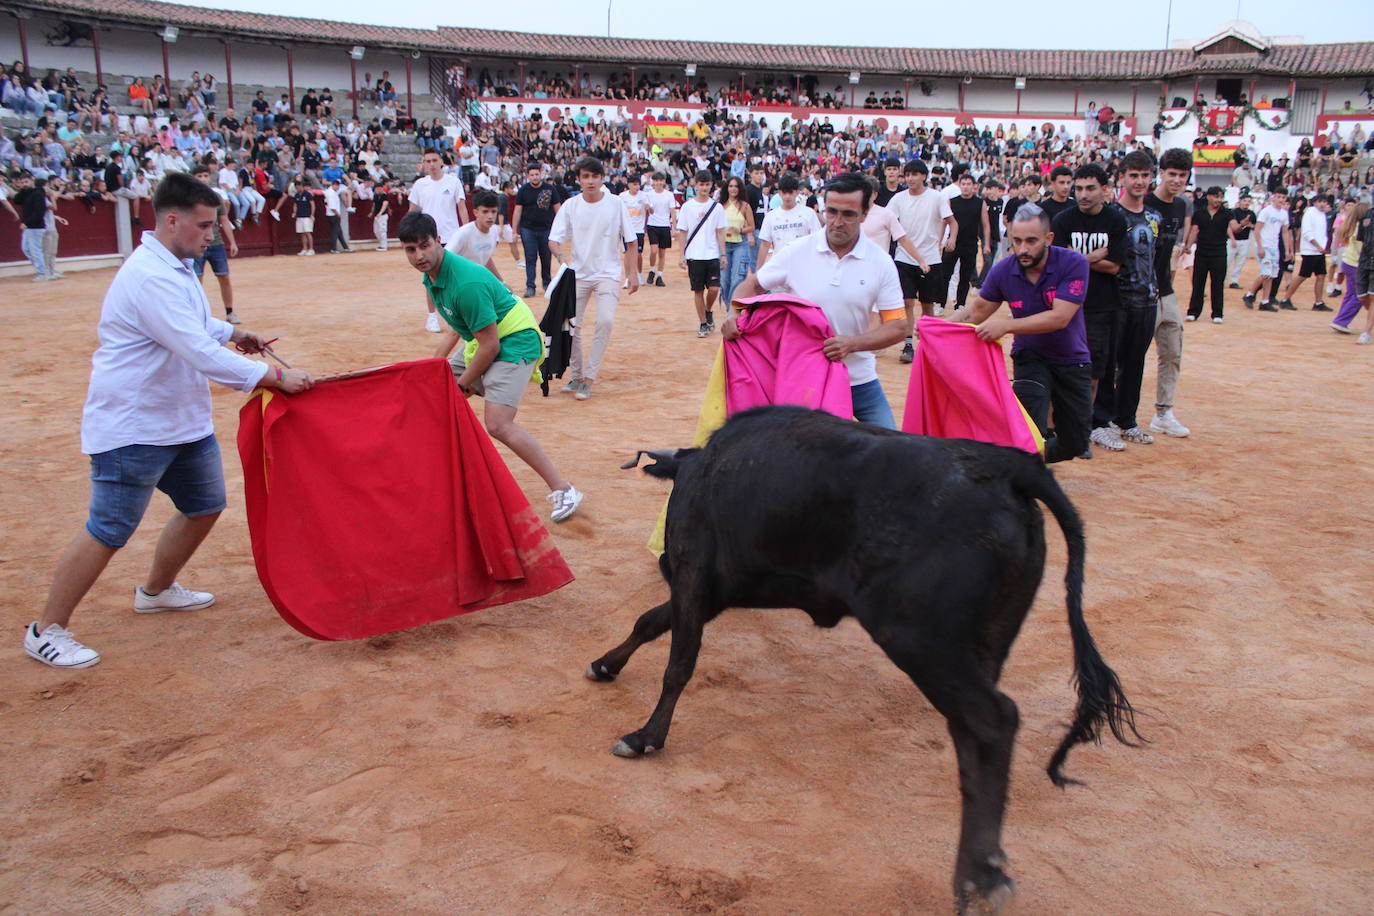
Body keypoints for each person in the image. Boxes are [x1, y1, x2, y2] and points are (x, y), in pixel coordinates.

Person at [24, 173, 314, 669]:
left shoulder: (175, 265)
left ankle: (156, 591)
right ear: (172, 220)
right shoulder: (150, 275)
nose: (212, 235)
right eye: (204, 225)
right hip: (133, 425)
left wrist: (234, 330)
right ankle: (45, 628)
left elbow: (197, 325)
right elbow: (197, 350)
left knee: (204, 505)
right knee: (108, 528)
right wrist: (270, 376)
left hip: (179, 419)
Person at [398, 210, 583, 522]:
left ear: (438, 242)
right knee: (432, 398)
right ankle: (444, 484)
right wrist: (432, 370)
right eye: (410, 250)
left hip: (514, 339)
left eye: (424, 246)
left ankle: (563, 488)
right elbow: (457, 328)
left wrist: (458, 387)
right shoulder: (432, 277)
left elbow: (490, 346)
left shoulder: (464, 283)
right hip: (487, 337)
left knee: (498, 423)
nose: (419, 255)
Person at [728, 172, 908, 428]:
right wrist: (734, 312)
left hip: (859, 380)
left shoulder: (880, 262)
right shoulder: (798, 252)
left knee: (893, 454)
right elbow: (753, 284)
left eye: (848, 214)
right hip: (806, 381)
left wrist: (852, 344)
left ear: (865, 214)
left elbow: (898, 326)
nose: (837, 221)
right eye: (831, 212)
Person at [951, 204, 1093, 463]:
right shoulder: (1004, 270)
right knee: (1028, 432)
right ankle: (1022, 474)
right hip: (1031, 357)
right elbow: (978, 310)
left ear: (1049, 239)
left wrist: (1006, 325)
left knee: (1076, 442)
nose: (1023, 249)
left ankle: (1034, 461)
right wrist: (940, 327)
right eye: (1016, 240)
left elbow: (1060, 317)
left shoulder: (1074, 263)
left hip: (1072, 359)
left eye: (1031, 241)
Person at [547, 156, 639, 400]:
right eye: (585, 176)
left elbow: (631, 241)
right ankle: (576, 376)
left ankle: (589, 377)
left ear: (602, 178)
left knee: (605, 321)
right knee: (572, 326)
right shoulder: (570, 205)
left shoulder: (615, 203)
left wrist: (632, 274)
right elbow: (554, 240)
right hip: (577, 274)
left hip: (608, 273)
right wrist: (561, 258)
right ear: (578, 179)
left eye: (594, 176)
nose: (590, 181)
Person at [1051, 163, 1125, 452]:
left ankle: (1081, 432)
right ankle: (1055, 430)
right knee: (1060, 370)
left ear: (1104, 189)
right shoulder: (1062, 220)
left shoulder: (1115, 221)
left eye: (1090, 188)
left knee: (1091, 374)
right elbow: (1058, 263)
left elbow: (1115, 265)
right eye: (1078, 188)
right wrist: (1092, 257)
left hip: (1101, 307)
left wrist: (1076, 257)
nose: (1082, 194)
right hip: (1064, 305)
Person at [1090, 150, 1159, 453]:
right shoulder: (1111, 216)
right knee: (1106, 363)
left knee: (1135, 362)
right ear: (1122, 178)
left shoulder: (1154, 216)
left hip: (1147, 299)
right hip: (1116, 299)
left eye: (1145, 175)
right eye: (1134, 175)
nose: (1140, 181)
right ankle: (1101, 422)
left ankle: (1127, 419)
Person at [1143, 148, 1193, 439]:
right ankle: (1116, 414)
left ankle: (1163, 412)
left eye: (1182, 175)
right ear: (1161, 173)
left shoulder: (1181, 205)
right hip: (1140, 292)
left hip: (1166, 290)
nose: (1176, 180)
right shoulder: (1145, 203)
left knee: (1172, 352)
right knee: (1130, 357)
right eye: (1171, 174)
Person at [886, 158, 954, 361]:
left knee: (927, 304)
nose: (910, 178)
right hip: (904, 258)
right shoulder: (898, 199)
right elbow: (886, 221)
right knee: (907, 301)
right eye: (907, 175)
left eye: (915, 174)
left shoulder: (937, 197)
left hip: (931, 258)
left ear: (924, 176)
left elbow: (951, 221)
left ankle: (927, 343)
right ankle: (908, 345)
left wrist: (951, 238)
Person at [409, 149, 468, 330]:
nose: (432, 164)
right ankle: (432, 316)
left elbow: (462, 209)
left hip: (452, 236)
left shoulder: (453, 181)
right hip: (427, 239)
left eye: (435, 160)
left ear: (441, 161)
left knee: (455, 275)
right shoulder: (420, 185)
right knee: (431, 277)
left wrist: (466, 231)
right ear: (424, 163)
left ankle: (457, 313)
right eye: (428, 161)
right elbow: (413, 211)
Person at [676, 170, 729, 338]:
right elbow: (682, 232)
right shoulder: (687, 207)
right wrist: (681, 255)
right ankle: (703, 323)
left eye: (707, 185)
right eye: (701, 184)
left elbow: (720, 232)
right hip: (694, 255)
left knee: (714, 289)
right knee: (698, 290)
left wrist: (723, 254)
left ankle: (708, 310)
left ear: (711, 185)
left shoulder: (717, 207)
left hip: (712, 253)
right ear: (696, 185)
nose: (704, 188)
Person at [190, 164, 240, 324]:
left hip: (216, 242)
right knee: (196, 280)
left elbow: (224, 221)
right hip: (195, 244)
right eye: (199, 176)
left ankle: (230, 312)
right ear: (194, 178)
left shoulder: (215, 198)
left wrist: (232, 242)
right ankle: (196, 315)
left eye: (205, 175)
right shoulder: (188, 200)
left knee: (224, 277)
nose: (203, 179)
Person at [511, 163, 561, 299]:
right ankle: (530, 286)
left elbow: (558, 209)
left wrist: (560, 229)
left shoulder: (550, 189)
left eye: (536, 174)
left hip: (546, 229)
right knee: (530, 258)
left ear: (541, 174)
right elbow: (517, 211)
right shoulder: (523, 190)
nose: (534, 177)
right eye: (532, 175)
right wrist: (514, 230)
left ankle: (547, 284)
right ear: (528, 176)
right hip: (528, 229)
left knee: (546, 258)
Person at [941, 173, 991, 311]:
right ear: (960, 185)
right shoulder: (952, 201)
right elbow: (944, 222)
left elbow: (986, 225)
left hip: (970, 244)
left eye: (969, 184)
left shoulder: (980, 203)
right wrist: (940, 240)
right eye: (963, 184)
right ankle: (940, 303)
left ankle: (960, 304)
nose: (966, 187)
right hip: (953, 243)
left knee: (965, 276)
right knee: (945, 274)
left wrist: (986, 244)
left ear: (974, 186)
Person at [1186, 187, 1234, 323]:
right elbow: (1194, 230)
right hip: (1201, 252)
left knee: (1217, 284)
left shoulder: (1227, 213)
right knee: (1198, 283)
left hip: (1219, 253)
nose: (1218, 200)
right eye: (1216, 197)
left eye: (1220, 197)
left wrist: (1242, 225)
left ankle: (1217, 313)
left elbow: (1234, 226)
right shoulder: (1199, 213)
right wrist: (1188, 246)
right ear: (1208, 197)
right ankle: (1193, 311)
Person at [757, 173, 821, 268]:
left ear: (797, 192)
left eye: (790, 192)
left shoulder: (808, 213)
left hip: (804, 266)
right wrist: (758, 270)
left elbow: (817, 241)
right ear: (779, 193)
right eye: (784, 193)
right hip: (780, 267)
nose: (787, 196)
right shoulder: (771, 216)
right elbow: (765, 245)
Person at [1281, 194, 1333, 311]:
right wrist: (1318, 246)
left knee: (1321, 275)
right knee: (1302, 276)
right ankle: (1285, 299)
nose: (1322, 204)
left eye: (1324, 201)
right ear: (1314, 202)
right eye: (1320, 201)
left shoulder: (1322, 214)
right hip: (1310, 251)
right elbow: (1307, 232)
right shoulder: (1310, 213)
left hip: (1319, 251)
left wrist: (1321, 247)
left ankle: (1318, 302)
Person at [1244, 190, 1292, 312]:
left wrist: (1287, 250)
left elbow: (1285, 232)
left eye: (1283, 197)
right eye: (1279, 197)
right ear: (1274, 198)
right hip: (1265, 245)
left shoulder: (1284, 214)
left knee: (1271, 275)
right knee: (1266, 273)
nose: (1281, 199)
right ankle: (1250, 293)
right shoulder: (1266, 211)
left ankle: (1264, 300)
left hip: (1274, 246)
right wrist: (1259, 246)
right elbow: (1257, 230)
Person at [446, 188, 506, 282]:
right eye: (485, 211)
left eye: (493, 211)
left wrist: (502, 282)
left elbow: (485, 257)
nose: (490, 216)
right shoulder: (463, 233)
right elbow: (443, 259)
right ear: (475, 212)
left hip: (476, 282)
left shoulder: (494, 231)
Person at [718, 175, 757, 309]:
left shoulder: (745, 206)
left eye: (736, 186)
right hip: (723, 245)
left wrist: (740, 230)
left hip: (740, 243)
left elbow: (752, 226)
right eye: (731, 186)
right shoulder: (720, 206)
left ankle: (731, 309)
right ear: (727, 188)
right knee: (724, 279)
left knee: (738, 277)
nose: (733, 189)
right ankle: (730, 306)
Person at [9, 172, 55, 281]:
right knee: (26, 249)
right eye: (22, 182)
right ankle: (43, 270)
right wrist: (23, 189)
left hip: (36, 226)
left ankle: (42, 273)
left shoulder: (38, 193)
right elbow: (16, 200)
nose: (24, 184)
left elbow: (39, 211)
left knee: (35, 250)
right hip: (29, 226)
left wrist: (27, 223)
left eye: (26, 182)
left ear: (32, 181)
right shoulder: (27, 192)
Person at [642, 171, 677, 287]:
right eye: (656, 180)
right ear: (653, 182)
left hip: (665, 225)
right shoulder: (649, 194)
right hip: (652, 225)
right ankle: (652, 270)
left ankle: (660, 275)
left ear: (664, 181)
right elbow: (649, 211)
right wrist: (649, 209)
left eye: (660, 180)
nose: (658, 183)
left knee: (662, 252)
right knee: (653, 250)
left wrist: (674, 227)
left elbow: (672, 211)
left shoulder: (669, 195)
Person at [618, 173, 648, 285]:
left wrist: (648, 208)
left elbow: (651, 210)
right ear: (629, 185)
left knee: (638, 253)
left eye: (638, 185)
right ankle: (627, 278)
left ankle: (639, 274)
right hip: (626, 229)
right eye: (634, 184)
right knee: (627, 253)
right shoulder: (622, 196)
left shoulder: (643, 196)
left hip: (639, 229)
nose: (636, 187)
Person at [1226, 191, 1256, 288]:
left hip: (1245, 240)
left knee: (1240, 262)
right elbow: (1229, 227)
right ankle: (1222, 280)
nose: (1247, 203)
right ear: (1240, 201)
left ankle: (1234, 281)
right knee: (1227, 261)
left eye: (1248, 201)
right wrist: (1233, 239)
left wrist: (1249, 225)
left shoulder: (1251, 214)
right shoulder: (1234, 212)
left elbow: (1254, 226)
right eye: (1245, 200)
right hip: (1233, 240)